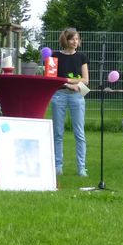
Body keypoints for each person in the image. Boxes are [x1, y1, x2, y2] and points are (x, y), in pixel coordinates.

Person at [50, 28, 89, 177]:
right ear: (65, 40)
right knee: (58, 133)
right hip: (59, 95)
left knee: (79, 133)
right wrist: (67, 84)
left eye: (77, 39)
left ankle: (81, 168)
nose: (75, 41)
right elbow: (51, 77)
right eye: (72, 38)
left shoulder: (82, 57)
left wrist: (69, 82)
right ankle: (58, 166)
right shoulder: (55, 56)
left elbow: (85, 80)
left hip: (77, 95)